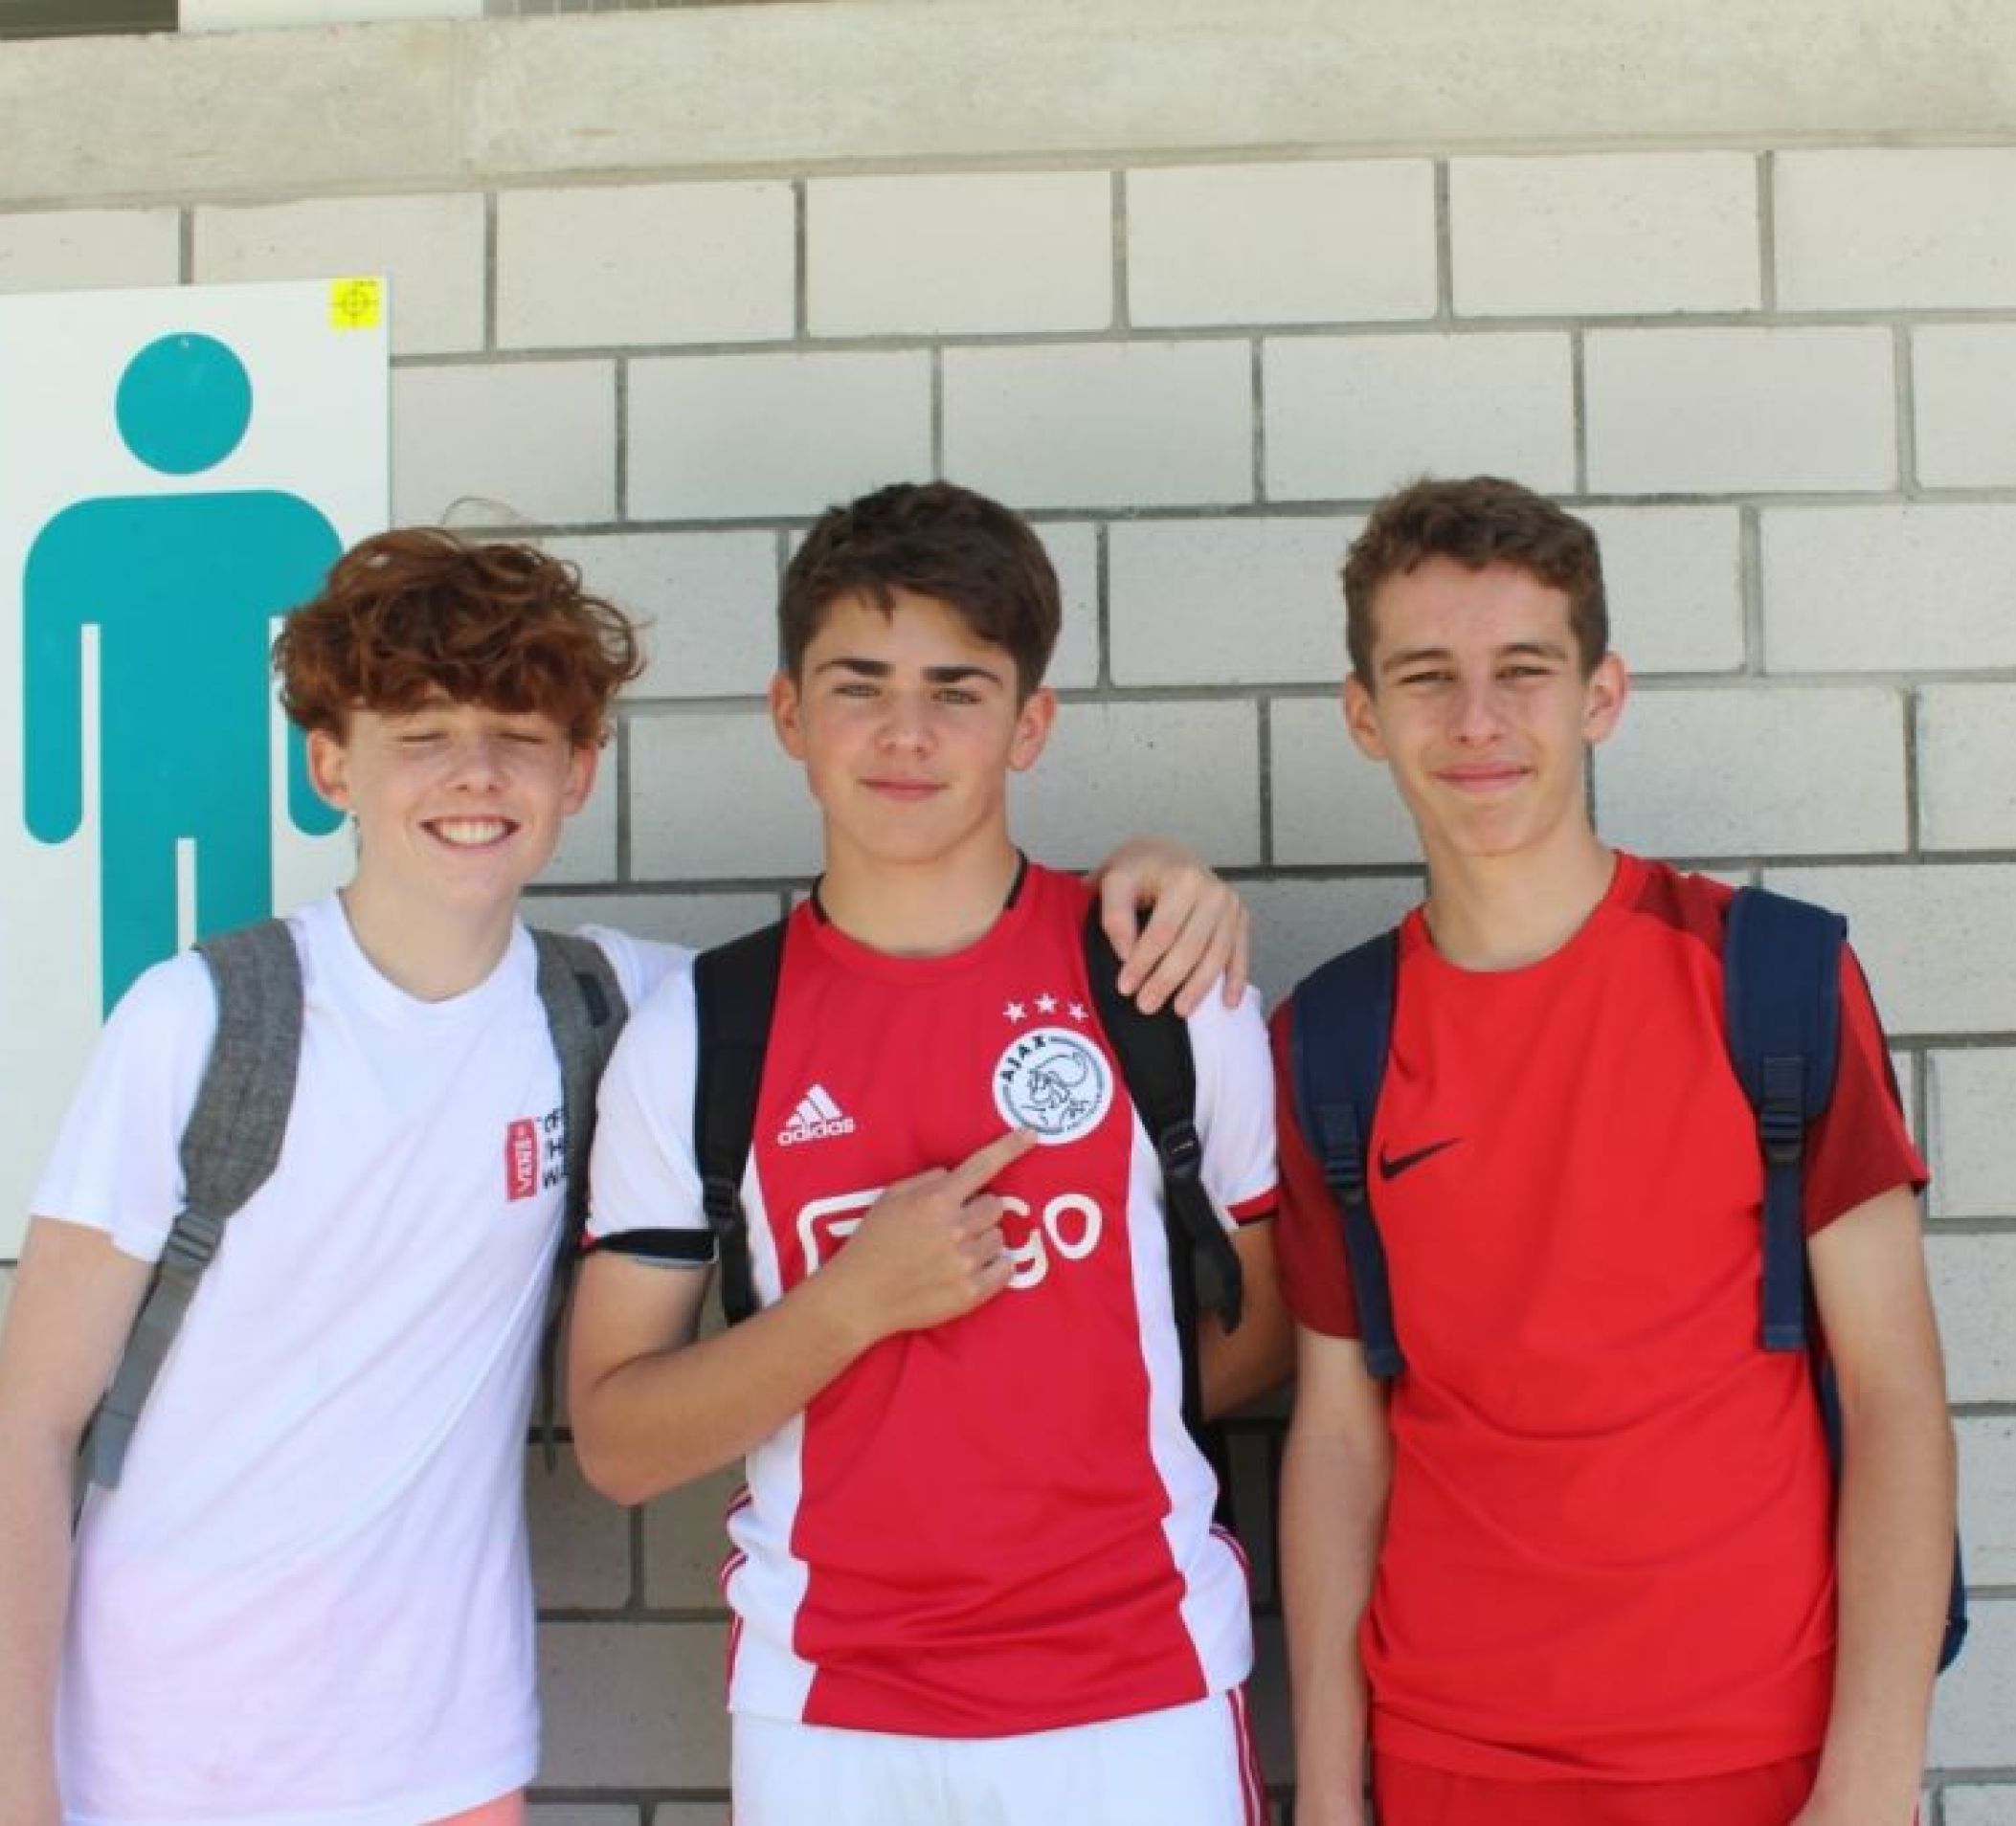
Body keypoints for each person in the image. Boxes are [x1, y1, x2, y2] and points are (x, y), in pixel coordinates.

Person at [0, 527, 1250, 1826]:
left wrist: (1160, 878)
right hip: (152, 1745)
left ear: (582, 769)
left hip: (443, 1744)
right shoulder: (205, 1022)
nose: (474, 775)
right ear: (331, 764)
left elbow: (865, 978)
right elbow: (27, 1426)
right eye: (421, 735)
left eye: (519, 736)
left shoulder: (615, 1007)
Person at [567, 480, 1290, 1826]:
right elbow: (616, 1442)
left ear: (1031, 724)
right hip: (830, 1717)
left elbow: (1273, 1321)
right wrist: (851, 1306)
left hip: (1138, 1695)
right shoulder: (702, 1032)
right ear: (789, 713)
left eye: (958, 690)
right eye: (860, 686)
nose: (906, 734)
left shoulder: (1162, 985)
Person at [1275, 478, 1955, 1826]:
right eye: (1427, 677)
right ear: (1364, 714)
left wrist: (1871, 1782)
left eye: (1524, 671)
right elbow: (1340, 1436)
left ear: (1602, 695)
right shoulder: (1334, 1038)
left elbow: (1894, 1396)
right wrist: (1333, 1792)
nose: (1478, 721)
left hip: (1753, 1750)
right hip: (1450, 1751)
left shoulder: (1768, 980)